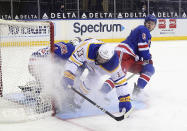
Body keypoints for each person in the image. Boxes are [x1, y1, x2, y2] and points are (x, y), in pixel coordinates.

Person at [63, 38, 133, 115]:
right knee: (71, 76)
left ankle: (76, 101)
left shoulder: (114, 64)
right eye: (100, 56)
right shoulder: (87, 48)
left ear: (108, 59)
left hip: (97, 70)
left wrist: (125, 100)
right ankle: (62, 94)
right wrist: (68, 75)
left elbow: (121, 82)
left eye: (103, 59)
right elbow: (73, 62)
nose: (100, 60)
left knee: (88, 85)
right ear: (98, 51)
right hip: (84, 60)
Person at [101, 14, 157, 97]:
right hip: (124, 53)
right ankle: (101, 94)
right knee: (119, 74)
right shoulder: (143, 29)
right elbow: (143, 48)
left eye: (152, 23)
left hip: (132, 57)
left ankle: (137, 91)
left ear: (155, 26)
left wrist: (146, 59)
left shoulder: (146, 33)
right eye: (148, 22)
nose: (150, 25)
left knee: (149, 68)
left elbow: (141, 51)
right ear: (145, 23)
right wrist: (148, 58)